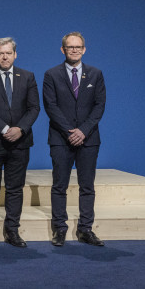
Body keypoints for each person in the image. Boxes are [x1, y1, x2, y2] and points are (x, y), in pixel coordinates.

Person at [0, 38, 40, 248]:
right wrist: (4, 129)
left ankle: (12, 231)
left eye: (8, 53)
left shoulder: (27, 76)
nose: (5, 56)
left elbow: (34, 108)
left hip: (19, 142)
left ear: (15, 55)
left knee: (15, 188)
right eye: (1, 53)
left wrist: (20, 129)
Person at [43, 32, 106, 247]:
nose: (74, 50)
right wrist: (70, 131)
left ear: (84, 49)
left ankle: (85, 229)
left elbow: (99, 106)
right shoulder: (51, 74)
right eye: (70, 47)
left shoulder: (96, 74)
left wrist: (83, 131)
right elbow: (50, 106)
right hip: (61, 138)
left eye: (78, 47)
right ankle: (59, 229)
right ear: (63, 50)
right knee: (59, 186)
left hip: (88, 139)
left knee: (87, 186)